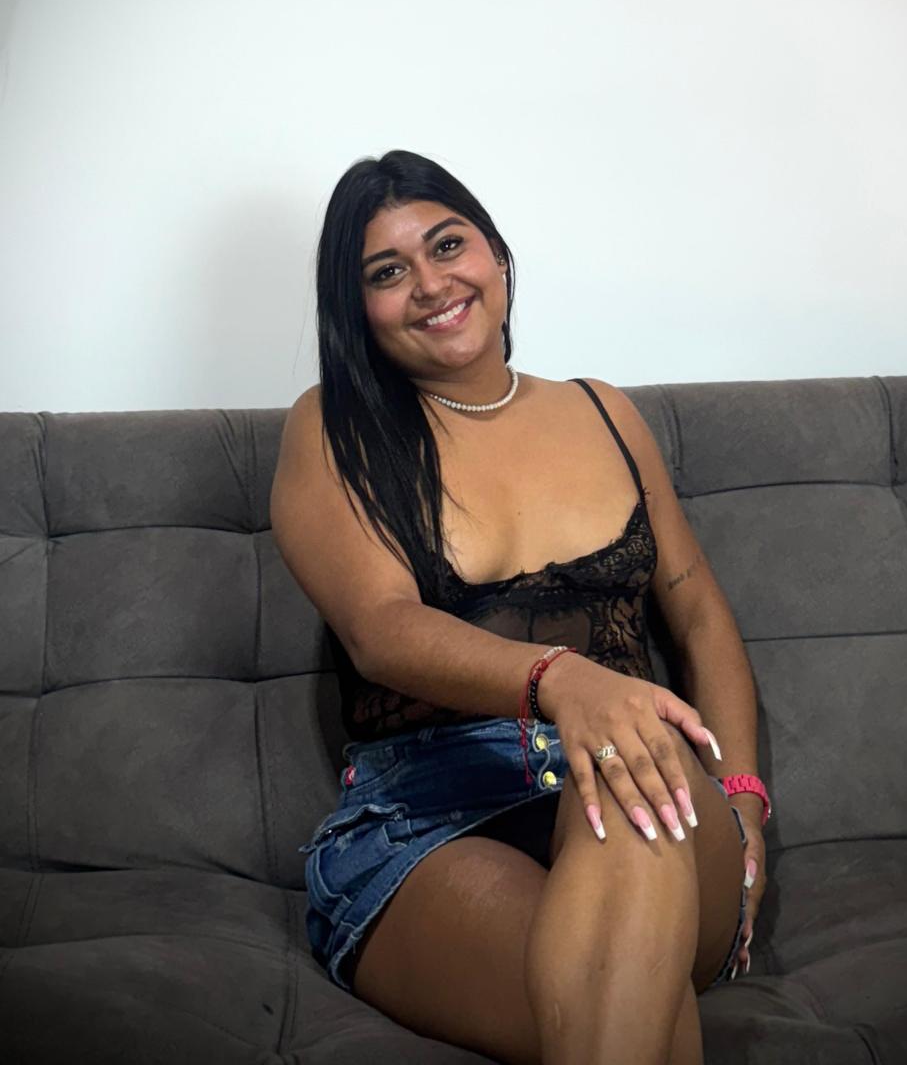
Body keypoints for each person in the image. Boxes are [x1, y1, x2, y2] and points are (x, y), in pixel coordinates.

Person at [271, 149, 770, 1065]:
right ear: (358, 309)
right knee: (626, 1007)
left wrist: (742, 796)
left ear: (496, 255)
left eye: (446, 245)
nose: (431, 285)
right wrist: (564, 681)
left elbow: (698, 614)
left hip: (647, 795)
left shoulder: (605, 413)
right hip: (427, 820)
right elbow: (381, 630)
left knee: (628, 771)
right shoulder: (335, 429)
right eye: (387, 273)